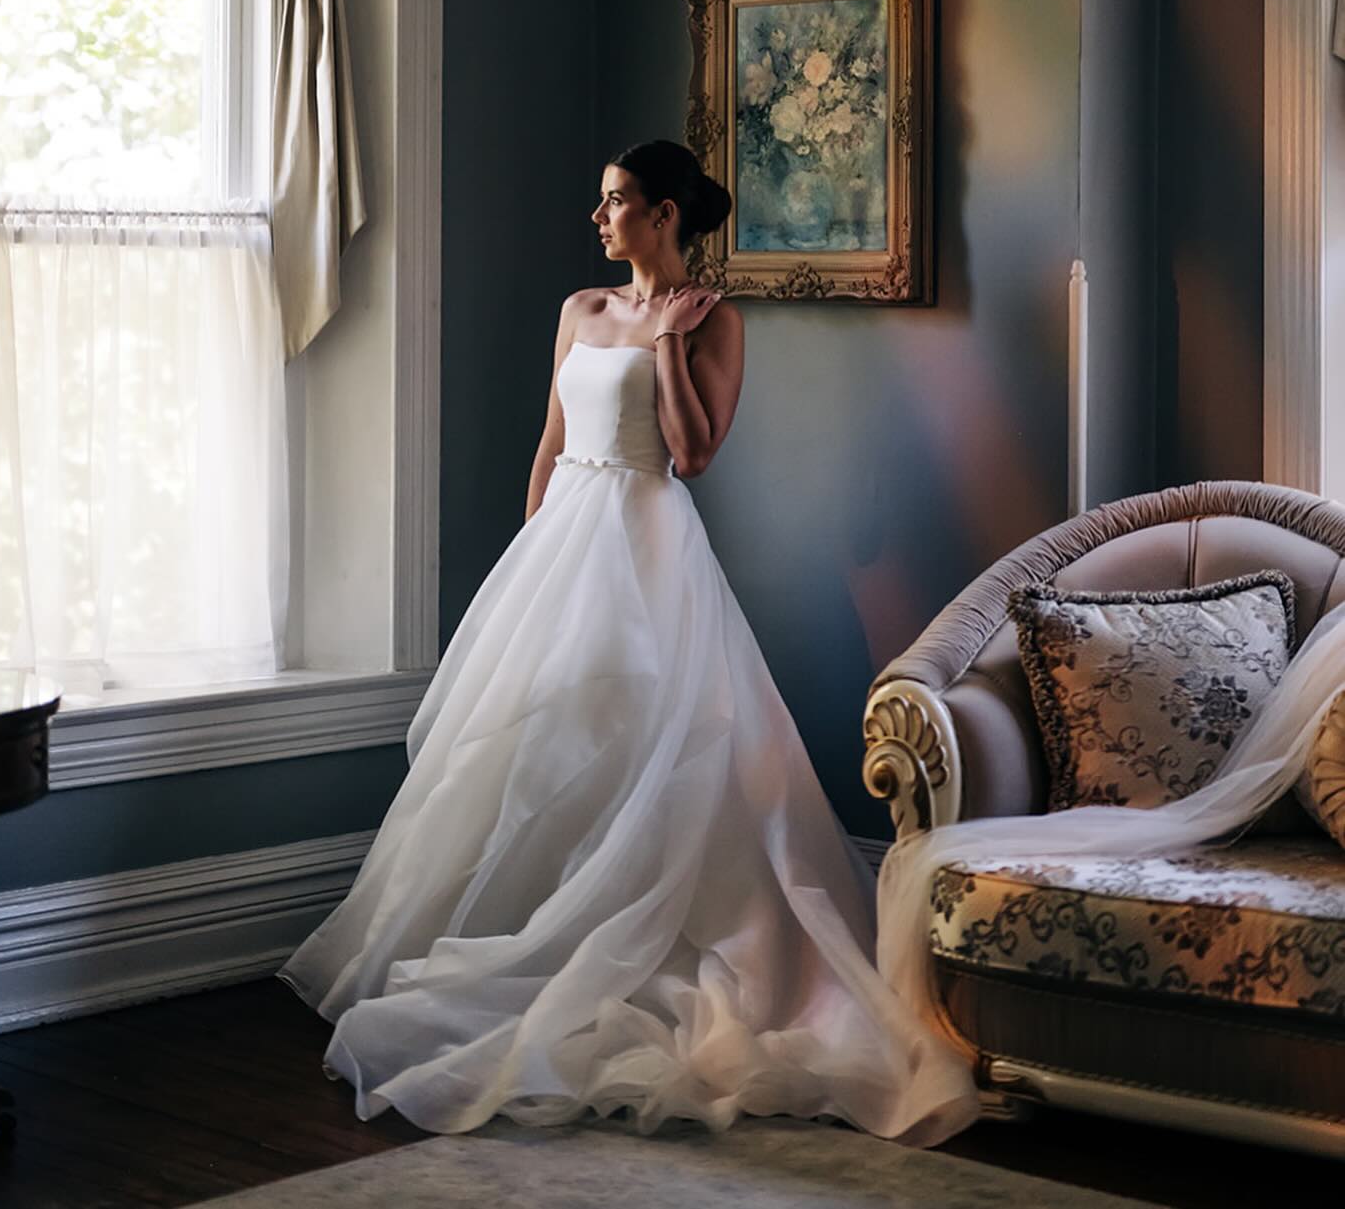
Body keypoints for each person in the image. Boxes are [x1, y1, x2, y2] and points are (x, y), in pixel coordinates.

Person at [279, 139, 980, 1143]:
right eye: (600, 202)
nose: (597, 219)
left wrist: (667, 341)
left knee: (667, 747)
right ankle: (533, 935)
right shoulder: (578, 309)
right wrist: (529, 564)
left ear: (661, 216)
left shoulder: (716, 320)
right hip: (567, 541)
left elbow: (691, 453)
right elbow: (552, 440)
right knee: (547, 744)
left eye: (613, 204)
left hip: (648, 541)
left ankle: (658, 938)